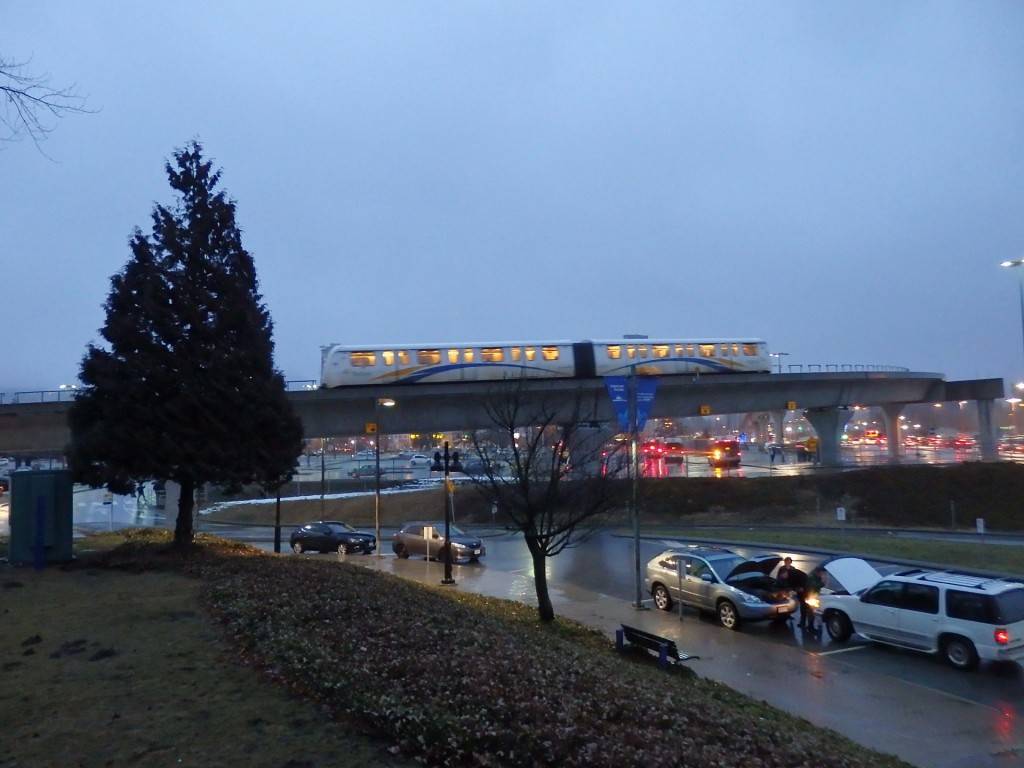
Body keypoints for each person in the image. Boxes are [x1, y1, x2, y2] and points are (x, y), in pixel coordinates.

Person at [777, 556, 809, 629]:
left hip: (803, 590)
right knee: (789, 602)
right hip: (795, 590)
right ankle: (787, 614)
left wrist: (801, 587)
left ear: (785, 573)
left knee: (803, 606)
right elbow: (781, 581)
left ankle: (803, 622)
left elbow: (804, 577)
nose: (782, 577)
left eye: (783, 576)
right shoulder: (782, 571)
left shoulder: (794, 572)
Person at [804, 565, 827, 634]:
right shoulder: (811, 577)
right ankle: (810, 627)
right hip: (810, 596)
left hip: (813, 595)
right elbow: (813, 586)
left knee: (813, 612)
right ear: (818, 572)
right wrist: (823, 584)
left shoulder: (816, 576)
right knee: (811, 612)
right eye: (822, 573)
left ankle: (811, 626)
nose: (822, 574)